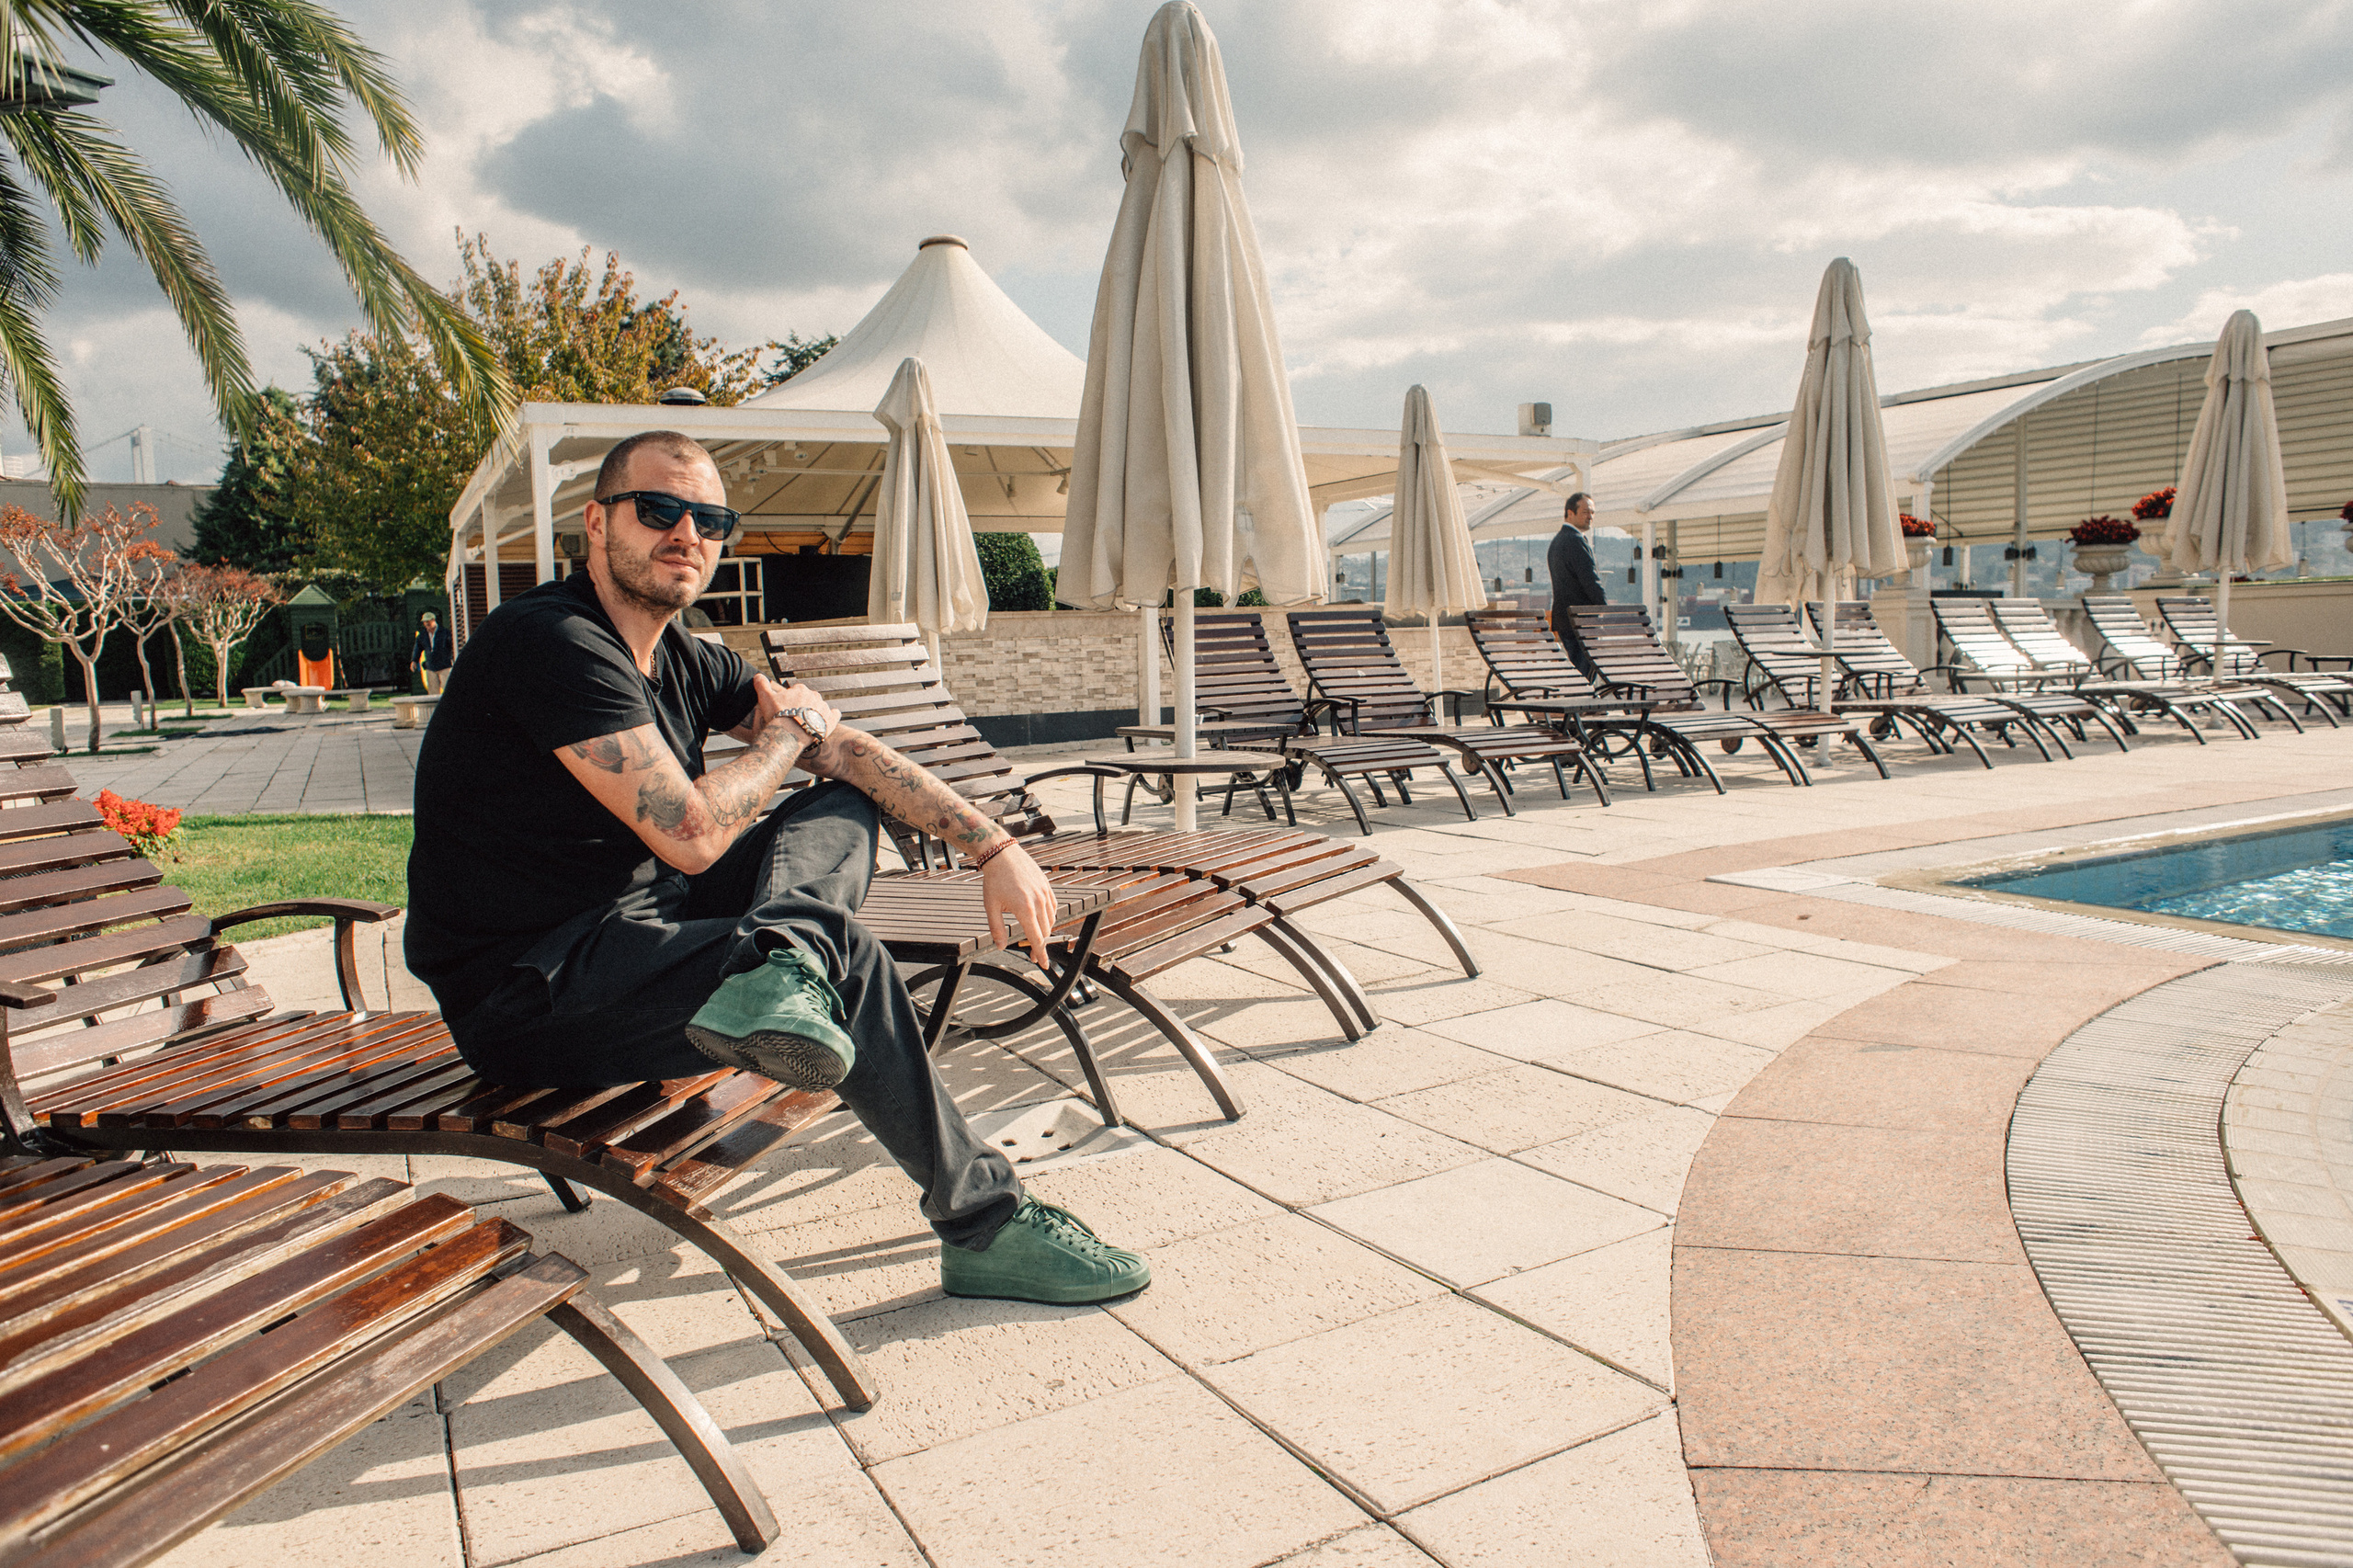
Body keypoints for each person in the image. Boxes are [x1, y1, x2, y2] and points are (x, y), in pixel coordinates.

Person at [404, 429, 1148, 1306]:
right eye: (660, 510)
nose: (688, 533)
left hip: (638, 938)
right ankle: (984, 1225)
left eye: (711, 519)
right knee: (854, 958)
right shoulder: (552, 640)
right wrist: (791, 733)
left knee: (839, 804)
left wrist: (996, 846)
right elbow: (689, 833)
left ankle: (784, 965)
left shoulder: (681, 654)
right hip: (533, 995)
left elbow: (847, 752)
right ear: (597, 525)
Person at [1546, 492, 1608, 680]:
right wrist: (1603, 605)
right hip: (1581, 618)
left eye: (1592, 513)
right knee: (1585, 667)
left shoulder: (1557, 542)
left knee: (1578, 666)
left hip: (1564, 618)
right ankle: (1580, 705)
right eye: (1585, 512)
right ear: (1569, 513)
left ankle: (1581, 704)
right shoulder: (1575, 540)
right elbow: (1589, 578)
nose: (1590, 516)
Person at [413, 611, 453, 694]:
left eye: (428, 621)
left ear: (434, 620)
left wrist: (452, 658)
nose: (426, 624)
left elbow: (452, 646)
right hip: (431, 667)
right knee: (433, 692)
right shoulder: (422, 635)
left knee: (448, 689)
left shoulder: (445, 632)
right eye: (425, 622)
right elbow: (418, 648)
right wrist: (414, 661)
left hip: (444, 666)